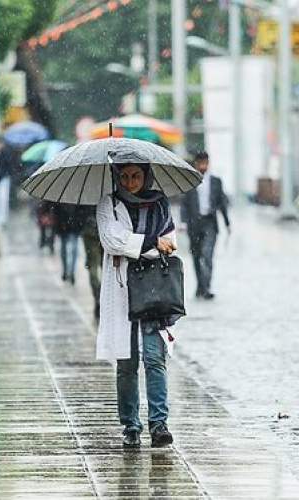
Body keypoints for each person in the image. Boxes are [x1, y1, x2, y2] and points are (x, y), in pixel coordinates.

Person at [96, 162, 177, 449]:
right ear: (117, 177)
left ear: (146, 177)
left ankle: (159, 424)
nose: (130, 182)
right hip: (122, 289)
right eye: (125, 176)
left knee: (155, 358)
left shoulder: (160, 204)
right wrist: (152, 244)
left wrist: (142, 245)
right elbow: (112, 240)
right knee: (126, 362)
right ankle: (130, 425)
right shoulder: (109, 204)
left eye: (136, 176)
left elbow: (171, 241)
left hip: (153, 289)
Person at [180, 151, 230, 300]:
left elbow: (222, 203)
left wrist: (227, 222)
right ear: (196, 164)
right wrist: (183, 222)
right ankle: (200, 286)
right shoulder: (189, 181)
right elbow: (184, 204)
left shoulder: (216, 181)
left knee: (207, 256)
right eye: (200, 163)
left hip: (210, 223)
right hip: (194, 224)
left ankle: (206, 287)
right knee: (196, 256)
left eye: (206, 163)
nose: (203, 166)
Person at [53, 202, 89, 285]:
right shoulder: (61, 197)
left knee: (73, 250)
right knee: (66, 251)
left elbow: (83, 211)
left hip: (73, 226)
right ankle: (66, 271)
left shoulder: (78, 196)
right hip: (65, 226)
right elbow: (56, 211)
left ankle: (71, 272)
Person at [80, 207, 103, 319]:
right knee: (107, 269)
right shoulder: (111, 193)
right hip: (105, 232)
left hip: (90, 231)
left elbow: (79, 213)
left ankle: (98, 296)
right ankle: (102, 296)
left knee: (93, 267)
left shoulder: (85, 193)